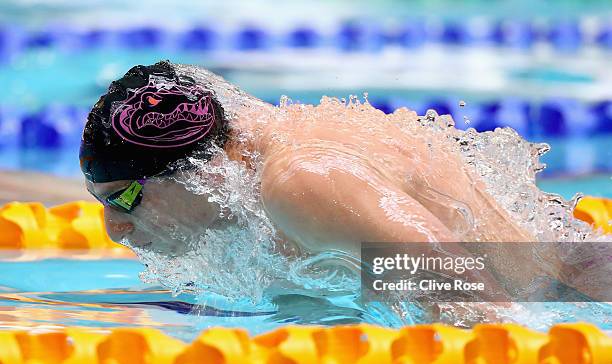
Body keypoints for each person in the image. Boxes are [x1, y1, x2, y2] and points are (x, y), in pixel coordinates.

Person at [81, 61, 533, 260]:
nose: (114, 230)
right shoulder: (255, 173)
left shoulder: (301, 182)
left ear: (198, 169)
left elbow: (478, 303)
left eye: (125, 199)